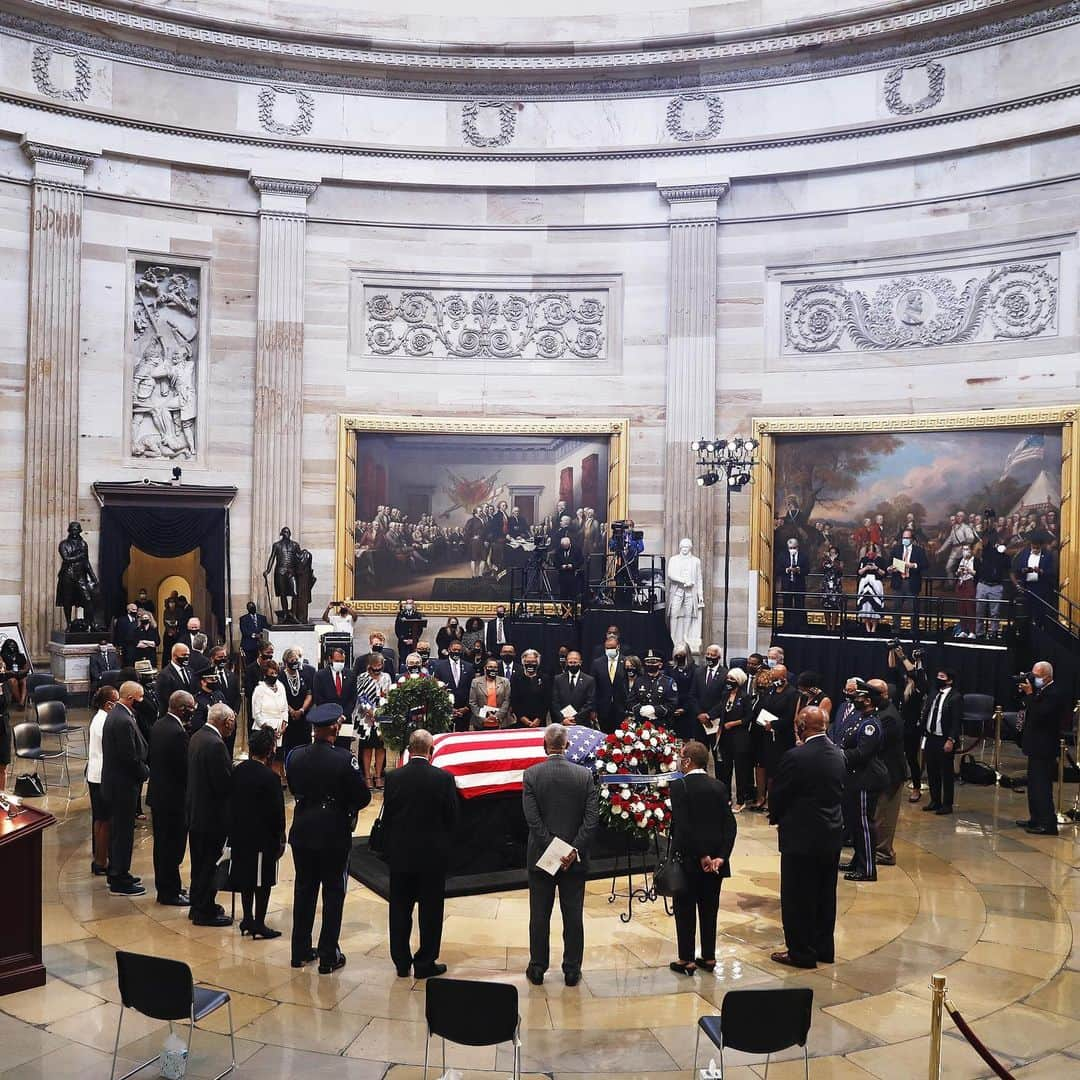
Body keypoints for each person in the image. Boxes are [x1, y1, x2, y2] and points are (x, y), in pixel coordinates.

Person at [286, 703, 371, 973]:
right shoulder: (344, 759)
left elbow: (294, 787)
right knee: (333, 893)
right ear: (335, 727)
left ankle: (299, 951)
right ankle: (328, 955)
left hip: (302, 829)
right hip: (333, 831)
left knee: (304, 891)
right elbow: (362, 797)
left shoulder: (294, 756)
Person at [768, 706, 847, 969]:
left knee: (798, 897)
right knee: (825, 895)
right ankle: (824, 948)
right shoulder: (838, 753)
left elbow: (779, 794)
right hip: (831, 833)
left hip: (801, 837)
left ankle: (801, 952)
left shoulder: (796, 756)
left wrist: (776, 817)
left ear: (802, 726)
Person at [522, 724, 599, 986]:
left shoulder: (532, 774)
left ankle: (537, 967)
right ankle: (572, 970)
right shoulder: (584, 775)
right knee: (573, 916)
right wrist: (572, 850)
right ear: (567, 745)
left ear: (545, 745)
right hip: (573, 861)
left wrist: (554, 849)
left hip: (541, 857)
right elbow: (591, 820)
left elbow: (532, 820)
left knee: (539, 916)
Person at [383, 728, 460, 978]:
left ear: (408, 749)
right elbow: (452, 818)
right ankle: (425, 962)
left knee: (399, 909)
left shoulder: (394, 778)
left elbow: (389, 817)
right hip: (432, 857)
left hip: (401, 855)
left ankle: (401, 962)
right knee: (430, 911)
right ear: (431, 750)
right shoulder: (444, 779)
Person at [668, 740, 738, 974]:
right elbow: (730, 825)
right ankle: (708, 957)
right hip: (715, 864)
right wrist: (721, 857)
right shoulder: (718, 786)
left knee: (685, 908)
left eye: (681, 757)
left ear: (687, 761)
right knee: (710, 908)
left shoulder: (679, 787)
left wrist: (702, 855)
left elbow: (685, 827)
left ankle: (686, 959)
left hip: (690, 859)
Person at [229, 726, 286, 939]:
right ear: (270, 750)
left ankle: (247, 918)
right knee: (262, 882)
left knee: (246, 878)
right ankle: (259, 923)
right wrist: (281, 837)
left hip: (240, 835)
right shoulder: (270, 778)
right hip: (262, 839)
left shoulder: (238, 771)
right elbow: (276, 813)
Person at [186, 703, 236, 926]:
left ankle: (198, 904)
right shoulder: (216, 744)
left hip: (197, 812)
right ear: (226, 722)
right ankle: (203, 911)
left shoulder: (198, 736)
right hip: (211, 816)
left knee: (199, 863)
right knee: (208, 864)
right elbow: (223, 784)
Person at [834, 679, 887, 882]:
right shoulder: (860, 718)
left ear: (868, 701)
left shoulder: (870, 724)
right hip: (854, 778)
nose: (855, 699)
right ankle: (858, 860)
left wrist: (839, 755)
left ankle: (868, 869)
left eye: (859, 696)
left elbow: (863, 752)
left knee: (864, 825)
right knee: (855, 823)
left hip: (866, 779)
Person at [101, 680, 150, 896]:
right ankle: (119, 877)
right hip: (122, 785)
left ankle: (120, 871)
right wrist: (146, 771)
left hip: (120, 783)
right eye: (140, 698)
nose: (142, 701)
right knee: (122, 834)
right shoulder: (121, 720)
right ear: (130, 698)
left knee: (120, 831)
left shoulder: (121, 715)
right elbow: (128, 757)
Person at [148, 690, 194, 906]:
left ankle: (169, 887)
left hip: (159, 796)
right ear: (182, 708)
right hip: (172, 799)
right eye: (191, 708)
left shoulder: (159, 724)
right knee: (172, 847)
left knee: (162, 846)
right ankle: (169, 893)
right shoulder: (177, 732)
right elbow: (183, 768)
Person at [1016, 661, 1069, 835]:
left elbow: (1041, 714)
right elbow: (1029, 707)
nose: (1034, 679)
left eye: (1037, 676)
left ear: (1047, 677)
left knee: (1042, 787)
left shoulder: (1054, 693)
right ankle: (1035, 819)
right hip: (1034, 745)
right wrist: (1026, 693)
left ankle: (1048, 824)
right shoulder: (1041, 690)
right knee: (1033, 785)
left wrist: (1031, 694)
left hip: (1045, 746)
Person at [868, 679, 906, 866]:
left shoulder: (888, 716)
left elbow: (875, 745)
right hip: (880, 773)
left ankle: (884, 854)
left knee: (884, 816)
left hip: (890, 774)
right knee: (877, 814)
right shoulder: (879, 712)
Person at [86, 685, 119, 876]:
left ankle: (100, 859)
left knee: (100, 820)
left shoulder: (99, 718)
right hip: (101, 776)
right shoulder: (103, 722)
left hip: (95, 775)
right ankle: (101, 861)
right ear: (108, 704)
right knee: (105, 821)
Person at [921, 667, 963, 815]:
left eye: (942, 676)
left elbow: (956, 721)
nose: (938, 679)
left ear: (950, 680)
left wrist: (951, 739)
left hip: (944, 738)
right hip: (931, 737)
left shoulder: (955, 697)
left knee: (946, 772)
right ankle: (935, 800)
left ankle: (947, 804)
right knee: (931, 771)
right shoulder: (934, 693)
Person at [890, 645, 928, 802]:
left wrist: (903, 655)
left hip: (912, 728)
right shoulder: (902, 685)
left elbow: (915, 672)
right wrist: (892, 650)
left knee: (912, 759)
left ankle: (917, 788)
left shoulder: (919, 688)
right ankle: (895, 782)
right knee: (895, 756)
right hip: (899, 725)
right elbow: (892, 667)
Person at [717, 667, 754, 808]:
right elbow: (721, 711)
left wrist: (734, 723)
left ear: (738, 681)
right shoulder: (725, 695)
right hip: (725, 737)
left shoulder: (744, 697)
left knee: (740, 770)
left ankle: (740, 800)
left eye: (732, 679)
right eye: (728, 678)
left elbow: (749, 717)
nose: (729, 681)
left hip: (740, 737)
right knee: (726, 769)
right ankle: (726, 797)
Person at [354, 652, 391, 788]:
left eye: (379, 665)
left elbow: (388, 694)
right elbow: (361, 696)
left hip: (383, 715)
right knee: (367, 747)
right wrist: (371, 712)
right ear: (369, 665)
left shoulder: (386, 677)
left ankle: (378, 775)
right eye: (374, 665)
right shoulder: (362, 677)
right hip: (366, 717)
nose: (377, 668)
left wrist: (381, 710)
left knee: (381, 747)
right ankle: (367, 777)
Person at [1011, 530, 1057, 627]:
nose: (1035, 549)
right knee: (1026, 612)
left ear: (1041, 546)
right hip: (1026, 587)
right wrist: (1024, 570)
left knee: (1039, 612)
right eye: (1033, 547)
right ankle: (1026, 632)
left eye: (1037, 547)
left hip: (1040, 588)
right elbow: (1017, 569)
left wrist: (1041, 571)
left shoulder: (1048, 555)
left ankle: (1039, 630)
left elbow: (1052, 572)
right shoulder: (1024, 553)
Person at [888, 529, 927, 636]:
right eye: (903, 538)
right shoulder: (896, 549)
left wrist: (913, 565)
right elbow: (889, 563)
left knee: (913, 608)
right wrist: (890, 568)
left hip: (912, 582)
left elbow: (925, 564)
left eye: (907, 538)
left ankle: (913, 632)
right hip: (898, 582)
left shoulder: (919, 550)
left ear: (912, 539)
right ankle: (895, 631)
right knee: (896, 608)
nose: (905, 540)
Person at [432, 640, 475, 732]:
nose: (456, 652)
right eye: (454, 649)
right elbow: (437, 688)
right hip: (446, 710)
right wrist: (448, 708)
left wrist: (467, 707)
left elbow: (472, 689)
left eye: (459, 650)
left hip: (464, 711)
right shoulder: (439, 666)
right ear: (449, 650)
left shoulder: (469, 667)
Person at [280, 647, 314, 760]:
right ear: (286, 662)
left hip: (303, 716)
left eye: (296, 660)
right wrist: (291, 711)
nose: (295, 663)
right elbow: (281, 697)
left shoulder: (304, 674)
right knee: (289, 747)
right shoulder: (280, 676)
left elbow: (309, 693)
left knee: (305, 746)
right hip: (288, 717)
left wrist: (301, 710)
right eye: (292, 660)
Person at [590, 635, 628, 734]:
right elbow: (593, 688)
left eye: (612, 648)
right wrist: (593, 709)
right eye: (607, 648)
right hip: (603, 708)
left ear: (618, 647)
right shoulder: (597, 663)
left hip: (622, 708)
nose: (609, 650)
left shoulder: (626, 661)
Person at [975, 536, 1011, 639]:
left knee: (995, 613)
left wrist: (1003, 552)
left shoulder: (1004, 556)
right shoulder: (986, 551)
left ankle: (994, 633)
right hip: (983, 584)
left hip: (996, 586)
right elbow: (979, 553)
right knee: (979, 611)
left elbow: (1007, 566)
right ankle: (979, 633)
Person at [549, 650, 595, 726]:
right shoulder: (558, 679)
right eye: (570, 662)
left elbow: (589, 703)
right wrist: (563, 719)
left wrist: (575, 718)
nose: (573, 665)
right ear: (566, 663)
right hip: (563, 722)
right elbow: (554, 702)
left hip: (582, 723)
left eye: (575, 662)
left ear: (580, 662)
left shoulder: (589, 680)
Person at [313, 647, 357, 722]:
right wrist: (332, 716)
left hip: (345, 719)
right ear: (330, 659)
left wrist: (343, 716)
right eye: (337, 661)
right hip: (326, 719)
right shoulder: (320, 676)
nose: (340, 663)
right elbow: (319, 699)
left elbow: (352, 698)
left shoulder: (350, 675)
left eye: (342, 661)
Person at [251, 659, 288, 745]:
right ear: (265, 674)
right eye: (271, 673)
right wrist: (270, 731)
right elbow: (256, 714)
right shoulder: (259, 690)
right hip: (262, 731)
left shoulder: (281, 686)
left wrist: (283, 726)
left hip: (279, 732)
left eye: (276, 673)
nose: (274, 676)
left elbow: (285, 709)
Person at [511, 650, 550, 728]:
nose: (530, 664)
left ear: (538, 663)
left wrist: (538, 719)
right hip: (522, 721)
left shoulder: (544, 678)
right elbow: (514, 700)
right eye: (528, 661)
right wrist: (523, 719)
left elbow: (547, 701)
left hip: (539, 721)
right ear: (523, 662)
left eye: (533, 662)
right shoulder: (516, 677)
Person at [469, 658, 512, 729]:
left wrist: (497, 716)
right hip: (481, 722)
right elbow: (473, 702)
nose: (493, 669)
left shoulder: (505, 682)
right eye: (490, 667)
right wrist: (483, 718)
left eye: (495, 667)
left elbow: (507, 700)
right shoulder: (475, 682)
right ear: (485, 668)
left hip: (501, 721)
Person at [778, 538, 808, 631]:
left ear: (797, 547)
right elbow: (778, 569)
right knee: (787, 604)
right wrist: (787, 570)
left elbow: (807, 570)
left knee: (800, 604)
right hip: (787, 584)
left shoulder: (803, 556)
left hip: (799, 584)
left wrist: (799, 570)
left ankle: (800, 625)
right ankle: (787, 624)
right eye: (790, 548)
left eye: (794, 547)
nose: (792, 549)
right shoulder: (782, 556)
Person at [856, 545, 887, 634]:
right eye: (868, 553)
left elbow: (884, 573)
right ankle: (867, 628)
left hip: (876, 584)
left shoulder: (881, 560)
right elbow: (858, 572)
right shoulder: (863, 560)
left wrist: (876, 568)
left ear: (875, 552)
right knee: (865, 606)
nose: (870, 555)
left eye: (872, 553)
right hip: (864, 584)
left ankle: (873, 628)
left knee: (875, 606)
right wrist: (866, 568)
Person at [156, 643, 196, 711]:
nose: (186, 657)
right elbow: (165, 700)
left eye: (188, 655)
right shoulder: (164, 675)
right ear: (174, 656)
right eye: (183, 655)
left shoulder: (190, 671)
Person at [954, 544, 978, 638]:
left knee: (970, 608)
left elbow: (978, 573)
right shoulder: (962, 560)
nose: (965, 551)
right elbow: (957, 572)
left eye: (967, 549)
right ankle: (963, 630)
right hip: (961, 584)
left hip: (970, 584)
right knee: (961, 608)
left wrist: (969, 570)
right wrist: (959, 572)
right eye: (963, 549)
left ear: (971, 550)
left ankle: (972, 631)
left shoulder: (975, 560)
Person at [820, 546, 844, 632]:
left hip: (835, 586)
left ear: (837, 554)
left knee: (835, 606)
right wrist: (828, 559)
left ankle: (833, 627)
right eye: (831, 552)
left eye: (834, 553)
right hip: (826, 586)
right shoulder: (825, 561)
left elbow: (840, 570)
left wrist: (833, 561)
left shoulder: (839, 562)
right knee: (826, 606)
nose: (832, 554)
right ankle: (827, 627)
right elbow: (821, 569)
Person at [239, 600, 269, 665]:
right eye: (250, 607)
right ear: (247, 609)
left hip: (261, 644)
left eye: (253, 606)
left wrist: (261, 634)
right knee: (250, 663)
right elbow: (244, 631)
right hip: (249, 645)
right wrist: (255, 635)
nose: (252, 608)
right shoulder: (243, 619)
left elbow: (266, 628)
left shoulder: (262, 618)